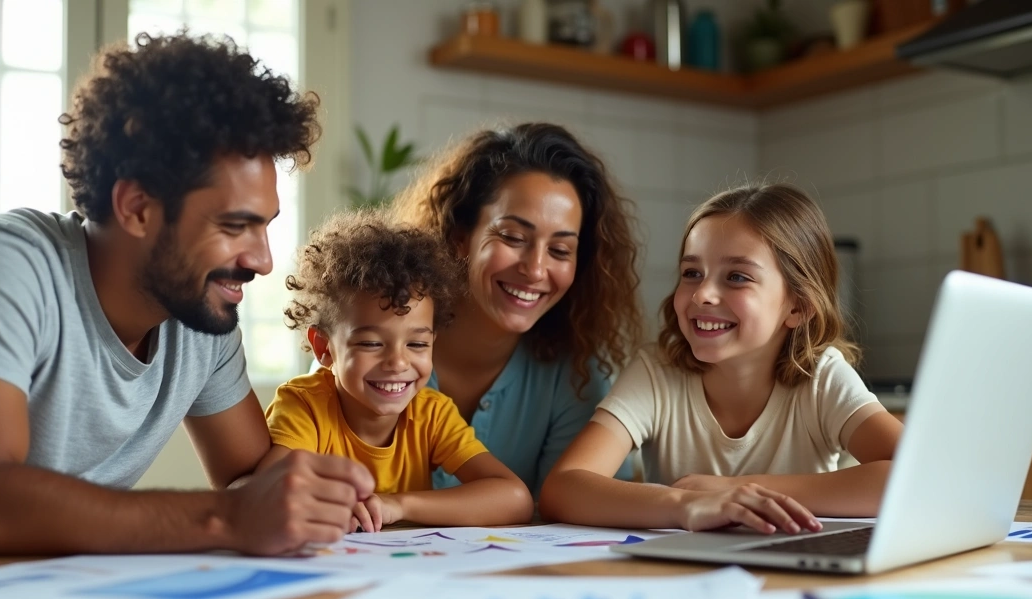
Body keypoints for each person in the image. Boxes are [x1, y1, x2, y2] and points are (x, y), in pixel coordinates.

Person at [0, 32, 374, 558]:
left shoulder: (199, 314)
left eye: (265, 227)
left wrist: (311, 494)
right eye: (235, 226)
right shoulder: (4, 262)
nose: (262, 260)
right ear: (137, 208)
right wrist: (229, 517)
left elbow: (249, 477)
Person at [539, 183, 903, 533]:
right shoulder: (657, 372)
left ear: (798, 306)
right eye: (692, 273)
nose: (702, 295)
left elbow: (918, 475)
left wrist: (738, 489)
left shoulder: (822, 377)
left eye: (737, 277)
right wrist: (685, 505)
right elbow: (563, 487)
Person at [393, 123, 644, 497]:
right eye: (512, 237)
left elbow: (593, 507)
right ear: (461, 237)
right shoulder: (374, 335)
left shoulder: (572, 376)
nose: (536, 269)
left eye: (560, 250)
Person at [260, 213, 534, 532]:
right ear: (324, 348)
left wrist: (397, 504)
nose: (398, 363)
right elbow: (265, 494)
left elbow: (514, 498)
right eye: (372, 343)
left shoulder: (432, 414)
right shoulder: (304, 406)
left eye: (417, 344)